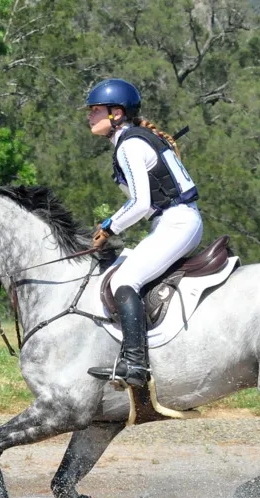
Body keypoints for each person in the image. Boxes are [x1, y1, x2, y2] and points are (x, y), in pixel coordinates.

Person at [85, 78, 204, 387]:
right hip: (172, 222)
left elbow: (140, 203)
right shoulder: (134, 140)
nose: (90, 116)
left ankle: (136, 364)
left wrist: (109, 226)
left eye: (96, 110)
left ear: (117, 114)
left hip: (177, 222)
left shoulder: (130, 145)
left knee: (124, 279)